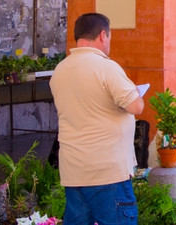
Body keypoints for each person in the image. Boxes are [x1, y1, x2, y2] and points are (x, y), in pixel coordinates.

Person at [50, 13, 144, 225]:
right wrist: (136, 93)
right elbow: (136, 106)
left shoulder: (60, 70)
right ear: (103, 35)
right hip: (107, 171)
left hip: (73, 170)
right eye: (109, 37)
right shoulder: (106, 67)